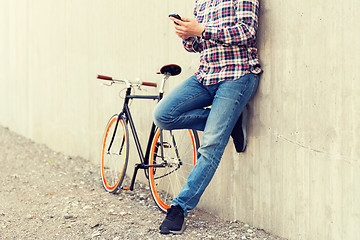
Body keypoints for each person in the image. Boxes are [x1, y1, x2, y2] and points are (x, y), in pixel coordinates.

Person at [153, 0, 262, 234]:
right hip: (206, 75)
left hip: (238, 75)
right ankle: (229, 122)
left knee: (211, 144)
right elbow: (199, 46)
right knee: (163, 115)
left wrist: (201, 30)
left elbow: (247, 32)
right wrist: (188, 36)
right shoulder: (202, 2)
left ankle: (179, 208)